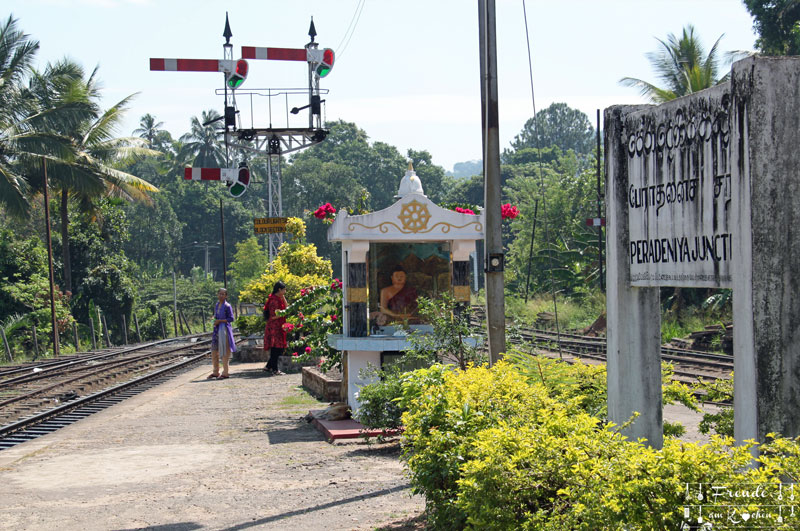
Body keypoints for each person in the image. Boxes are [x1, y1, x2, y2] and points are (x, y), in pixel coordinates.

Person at [209, 288, 236, 379]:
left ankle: (225, 372)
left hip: (224, 330)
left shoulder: (227, 306)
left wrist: (220, 321)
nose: (221, 296)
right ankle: (215, 371)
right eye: (220, 294)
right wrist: (214, 319)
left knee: (224, 351)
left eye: (223, 294)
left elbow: (231, 318)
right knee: (214, 351)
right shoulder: (217, 305)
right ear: (217, 294)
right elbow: (216, 316)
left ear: (226, 296)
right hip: (216, 330)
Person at [263, 281, 288, 376]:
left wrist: (283, 297)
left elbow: (286, 307)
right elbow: (273, 316)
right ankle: (274, 369)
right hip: (274, 327)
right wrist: (284, 313)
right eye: (284, 290)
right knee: (276, 348)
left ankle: (269, 366)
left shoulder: (278, 298)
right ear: (279, 289)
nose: (285, 291)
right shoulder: (273, 301)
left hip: (279, 326)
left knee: (278, 348)